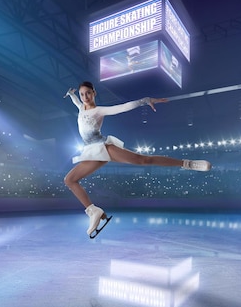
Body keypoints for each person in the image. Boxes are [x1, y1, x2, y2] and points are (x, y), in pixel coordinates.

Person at [64, 81, 212, 237]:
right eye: (82, 94)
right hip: (91, 152)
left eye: (88, 93)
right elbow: (77, 103)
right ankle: (93, 211)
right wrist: (72, 95)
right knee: (70, 180)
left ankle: (187, 163)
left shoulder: (99, 110)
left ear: (94, 93)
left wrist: (145, 100)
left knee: (144, 160)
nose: (85, 97)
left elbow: (122, 107)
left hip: (102, 147)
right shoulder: (81, 107)